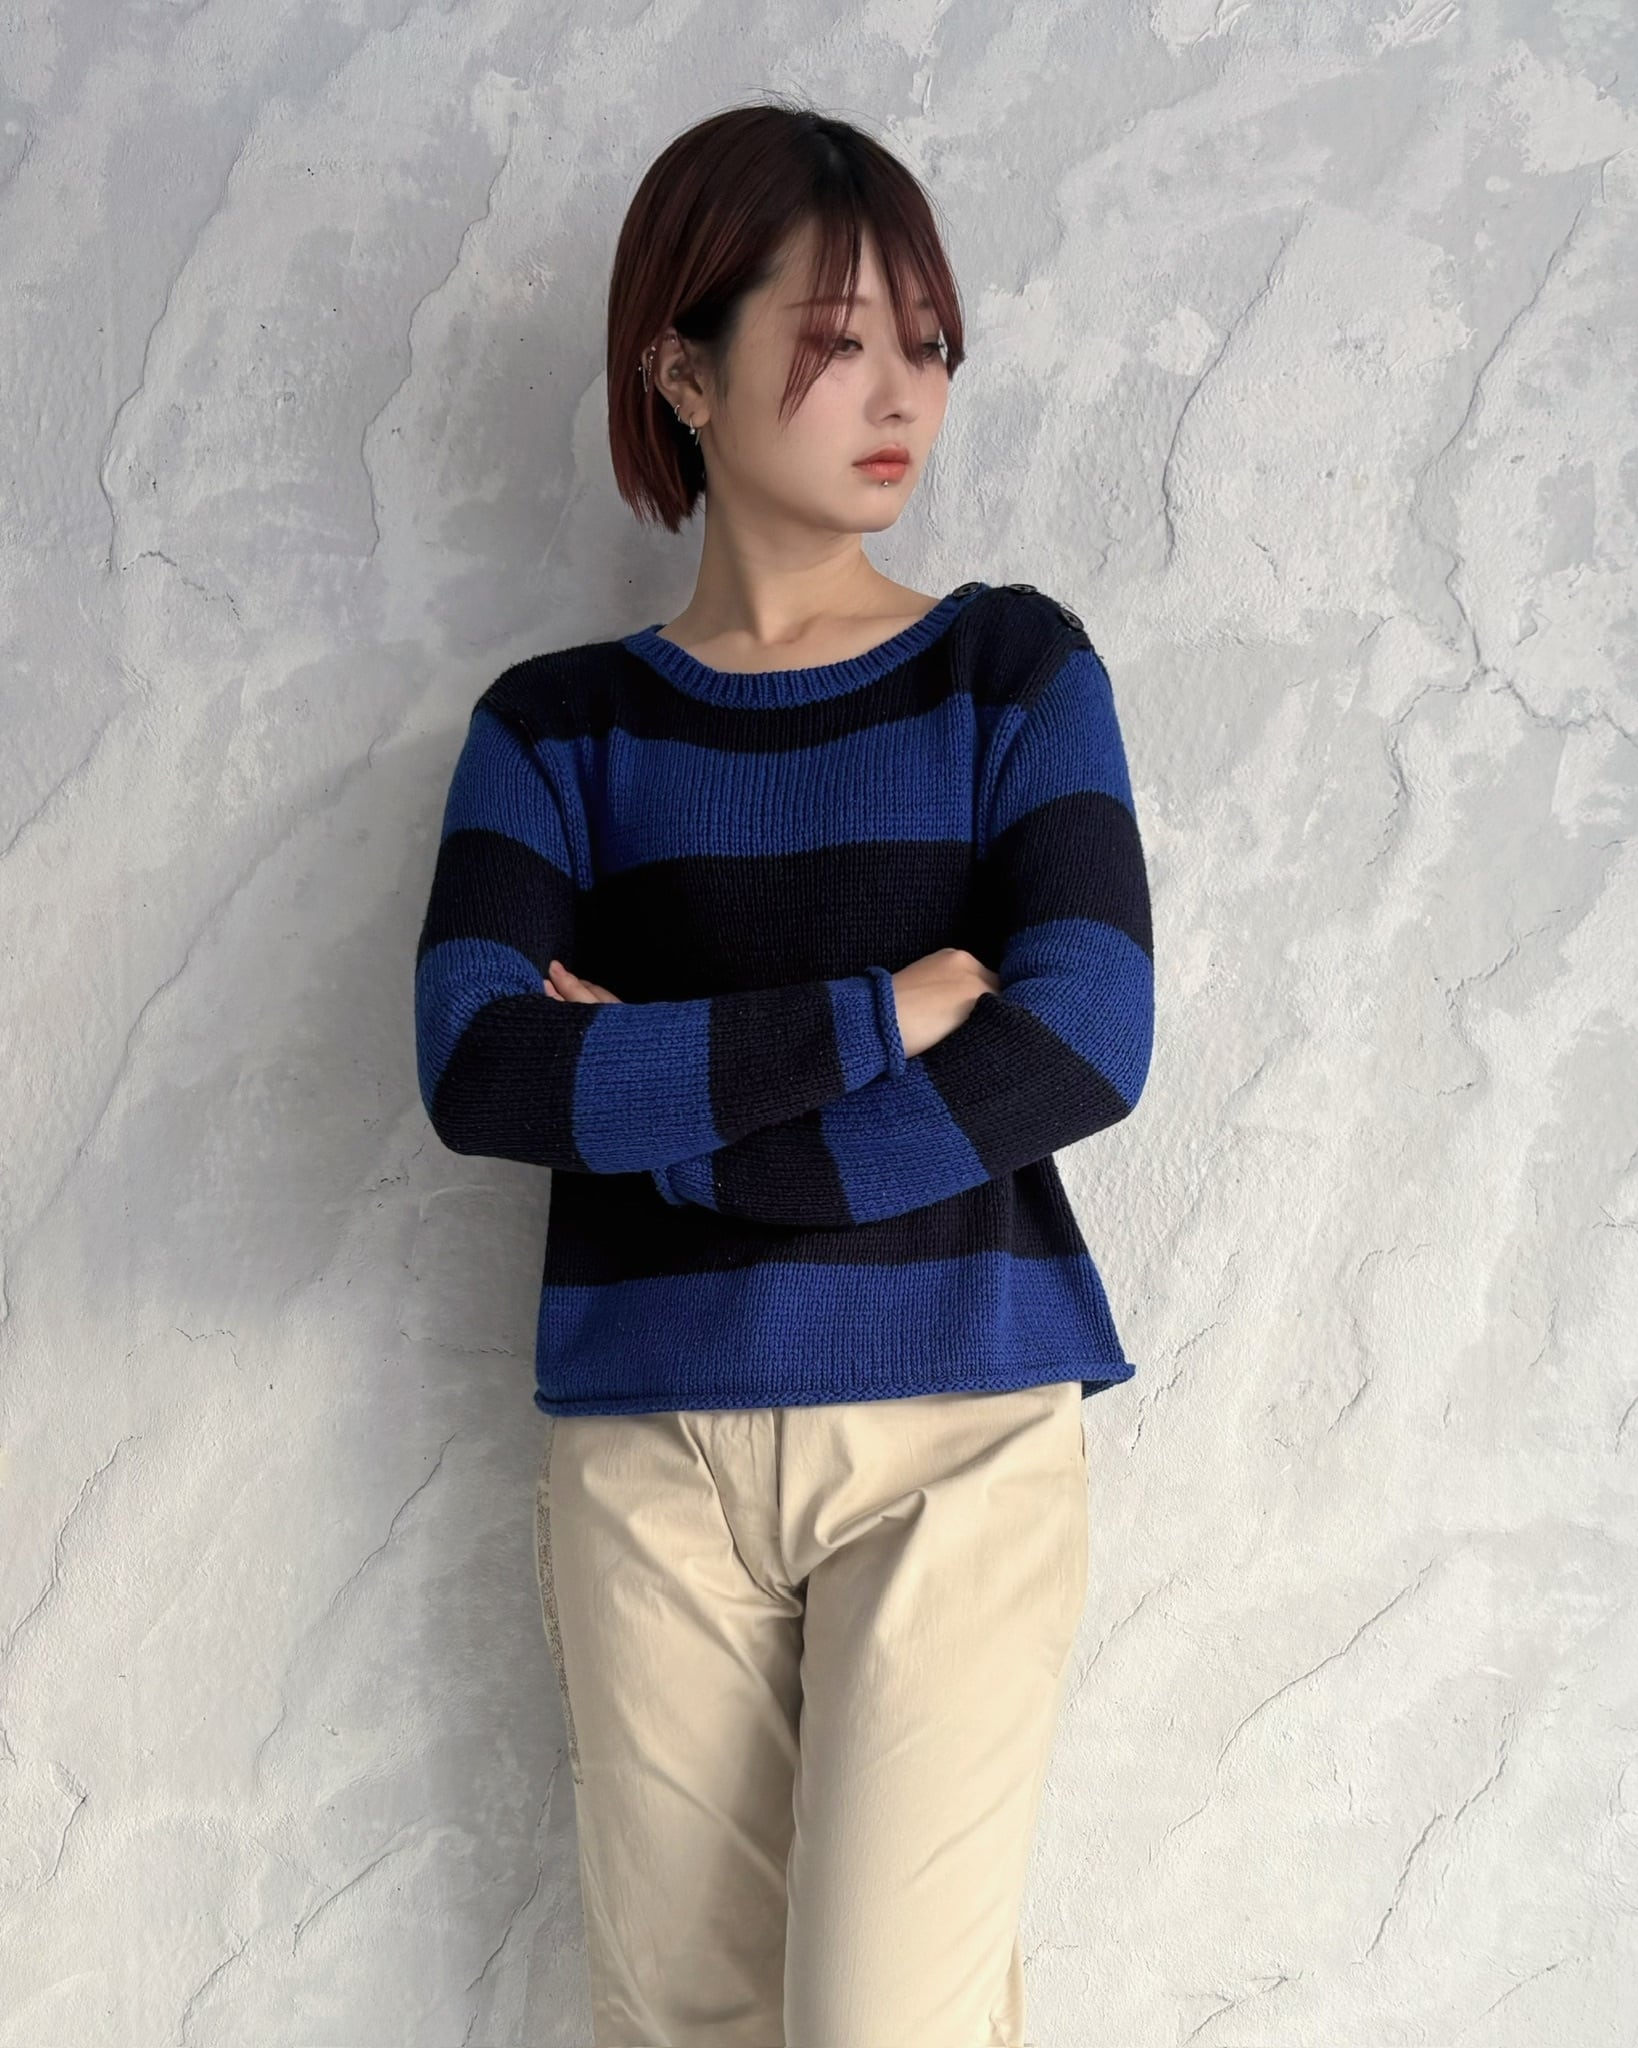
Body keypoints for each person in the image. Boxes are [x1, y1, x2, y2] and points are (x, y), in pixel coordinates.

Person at [413, 95, 1154, 2048]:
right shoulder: (555, 729)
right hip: (648, 1446)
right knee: (685, 2024)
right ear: (682, 367)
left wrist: (682, 1133)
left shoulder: (1011, 673)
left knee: (878, 2027)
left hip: (960, 1431)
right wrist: (872, 1015)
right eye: (836, 340)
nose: (901, 391)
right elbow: (483, 1066)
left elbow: (1085, 1031)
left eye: (927, 340)